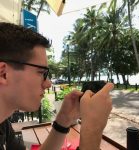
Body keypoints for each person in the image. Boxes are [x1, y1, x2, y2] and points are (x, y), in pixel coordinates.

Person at [0, 22, 114, 150]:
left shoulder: (3, 124)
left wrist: (64, 120)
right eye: (42, 73)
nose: (48, 84)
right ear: (3, 74)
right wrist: (92, 130)